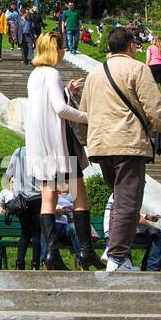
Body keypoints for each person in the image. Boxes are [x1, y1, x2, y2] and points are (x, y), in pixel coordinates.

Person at [80, 26, 161, 273]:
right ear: (132, 45)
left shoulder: (94, 74)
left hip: (101, 146)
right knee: (128, 201)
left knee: (118, 198)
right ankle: (117, 258)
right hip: (128, 144)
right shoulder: (138, 69)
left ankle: (113, 249)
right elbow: (155, 110)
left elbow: (84, 114)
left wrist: (89, 140)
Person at [24, 33, 98, 269]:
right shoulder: (52, 73)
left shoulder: (34, 75)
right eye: (61, 48)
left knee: (48, 196)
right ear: (54, 50)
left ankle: (51, 253)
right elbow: (60, 108)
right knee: (79, 194)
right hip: (58, 143)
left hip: (39, 143)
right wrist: (89, 116)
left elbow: (48, 104)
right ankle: (86, 250)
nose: (64, 52)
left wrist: (66, 89)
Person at [102, 193, 161, 271]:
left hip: (114, 232)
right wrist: (152, 227)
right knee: (160, 234)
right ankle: (151, 271)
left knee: (155, 234)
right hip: (119, 234)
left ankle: (118, 258)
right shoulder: (129, 189)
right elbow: (132, 217)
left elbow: (127, 212)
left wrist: (147, 217)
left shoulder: (119, 190)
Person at [1, 146, 42, 270]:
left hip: (22, 198)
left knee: (25, 233)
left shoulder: (19, 151)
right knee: (36, 233)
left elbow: (9, 172)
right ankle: (35, 264)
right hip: (38, 197)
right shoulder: (41, 151)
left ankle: (20, 264)